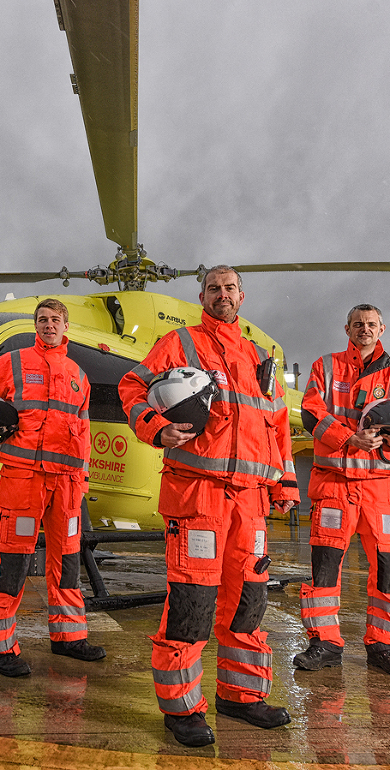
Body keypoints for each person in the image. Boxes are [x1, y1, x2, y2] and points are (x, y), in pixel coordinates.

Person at [118, 265, 299, 748]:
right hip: (198, 495)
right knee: (192, 606)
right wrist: (156, 428)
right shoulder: (180, 343)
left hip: (251, 502)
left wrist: (285, 486)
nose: (222, 294)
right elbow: (131, 388)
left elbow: (277, 427)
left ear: (243, 295)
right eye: (214, 288)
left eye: (230, 288)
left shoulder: (263, 357)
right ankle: (183, 709)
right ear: (202, 295)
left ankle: (241, 697)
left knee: (247, 604)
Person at [293, 303, 390, 677]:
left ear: (382, 329)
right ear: (346, 329)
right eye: (357, 324)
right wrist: (349, 437)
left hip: (381, 490)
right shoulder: (325, 366)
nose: (364, 329)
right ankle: (325, 644)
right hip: (334, 486)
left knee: (386, 571)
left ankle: (383, 646)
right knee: (325, 570)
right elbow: (311, 412)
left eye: (370, 324)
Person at [0, 298, 106, 677]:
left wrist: (83, 480)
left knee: (68, 562)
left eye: (55, 319)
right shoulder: (15, 362)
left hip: (68, 487)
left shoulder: (77, 375)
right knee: (14, 561)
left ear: (65, 326)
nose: (48, 325)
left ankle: (69, 638)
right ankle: (0, 648)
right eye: (42, 319)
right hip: (25, 480)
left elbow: (84, 432)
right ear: (35, 325)